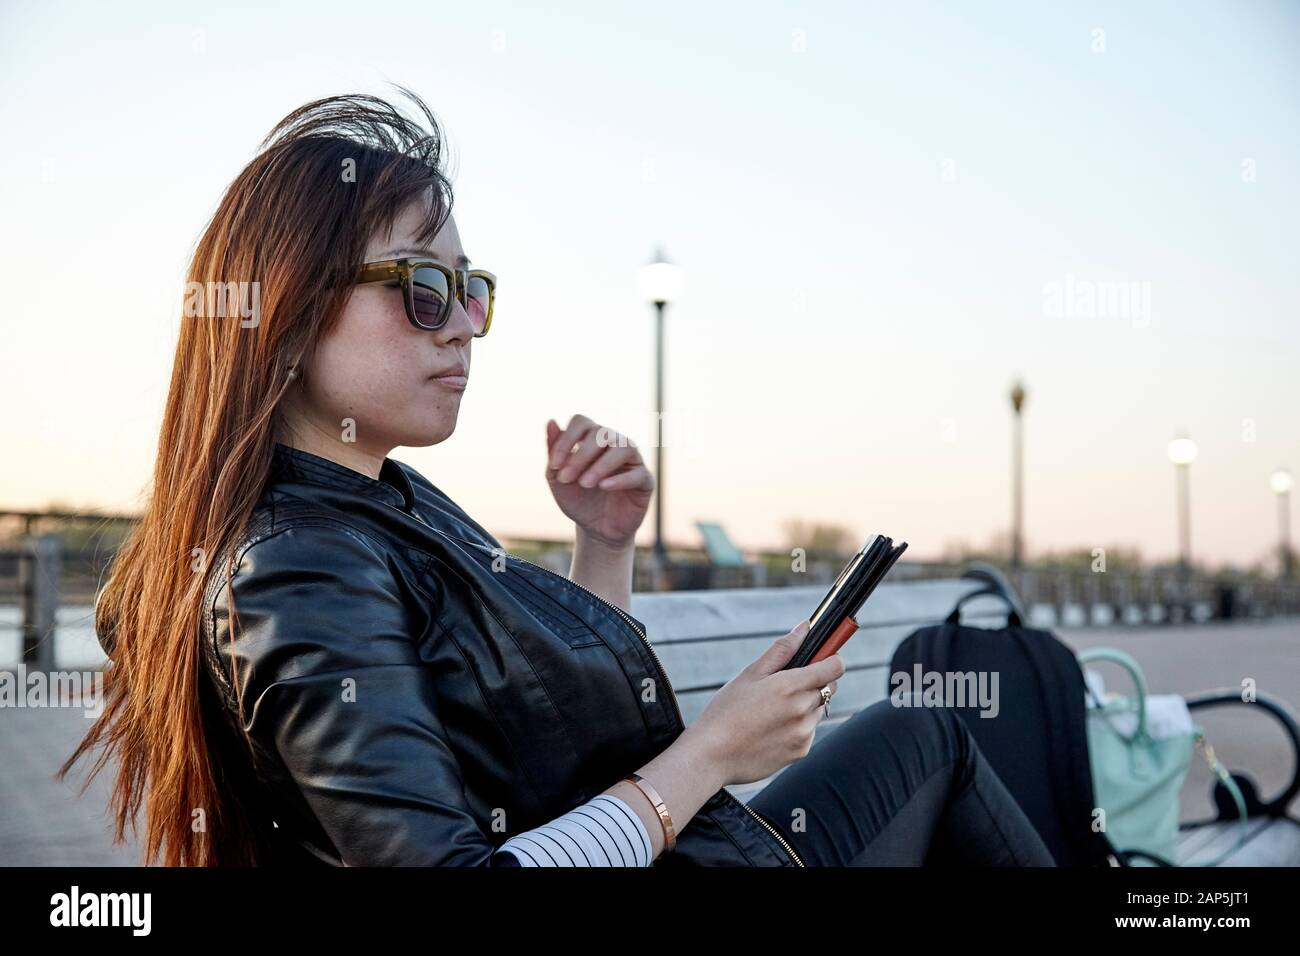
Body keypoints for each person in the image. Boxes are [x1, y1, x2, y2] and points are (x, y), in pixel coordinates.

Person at [64, 89, 1055, 868]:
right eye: (420, 288)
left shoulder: (377, 500)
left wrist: (602, 542)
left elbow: (538, 743)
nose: (460, 324)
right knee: (932, 743)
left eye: (470, 288)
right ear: (281, 313)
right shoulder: (298, 567)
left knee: (927, 740)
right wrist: (712, 751)